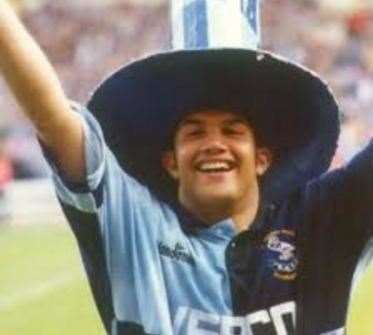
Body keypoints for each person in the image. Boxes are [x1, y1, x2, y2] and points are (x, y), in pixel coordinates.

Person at [0, 1, 372, 335]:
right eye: (194, 133)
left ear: (262, 158)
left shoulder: (324, 220)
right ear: (171, 162)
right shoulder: (132, 225)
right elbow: (52, 118)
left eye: (232, 130)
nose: (214, 142)